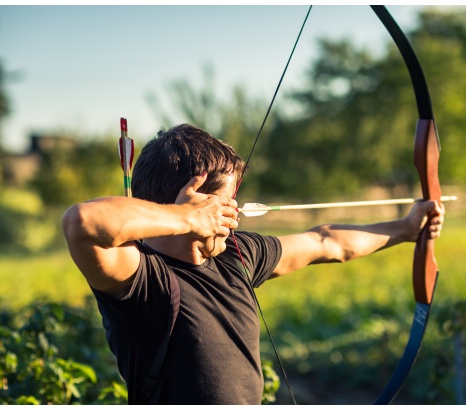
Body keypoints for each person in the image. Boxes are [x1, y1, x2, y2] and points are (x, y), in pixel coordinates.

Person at [62, 123, 445, 405]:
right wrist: (189, 219)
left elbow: (326, 242)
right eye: (226, 203)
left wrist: (407, 228)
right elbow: (82, 222)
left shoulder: (236, 255)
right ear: (196, 203)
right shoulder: (141, 279)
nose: (235, 215)